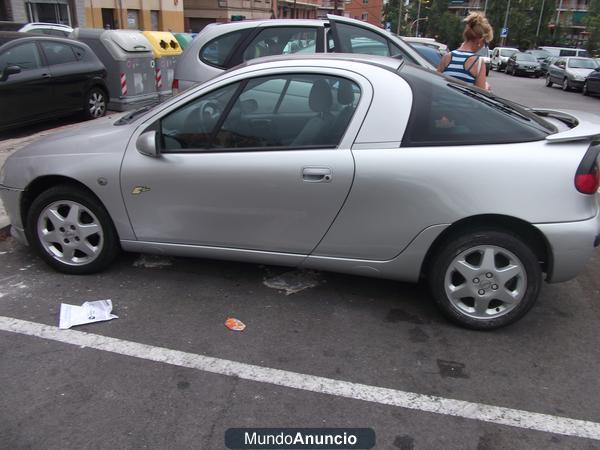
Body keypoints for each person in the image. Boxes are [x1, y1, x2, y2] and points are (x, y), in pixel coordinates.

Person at [437, 12, 493, 90]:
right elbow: (480, 95)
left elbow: (436, 84)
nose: (484, 46)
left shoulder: (447, 57)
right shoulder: (478, 62)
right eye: (485, 43)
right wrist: (486, 87)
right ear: (481, 40)